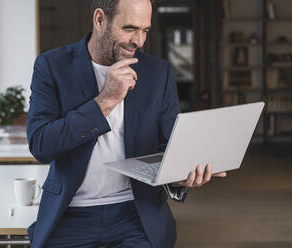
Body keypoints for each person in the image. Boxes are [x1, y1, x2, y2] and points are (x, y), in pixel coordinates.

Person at [26, 0, 226, 247]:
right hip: (70, 214)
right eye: (130, 28)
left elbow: (169, 147)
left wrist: (180, 175)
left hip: (135, 215)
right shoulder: (52, 66)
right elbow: (41, 145)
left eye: (145, 30)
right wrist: (105, 100)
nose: (139, 41)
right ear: (100, 20)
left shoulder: (158, 72)